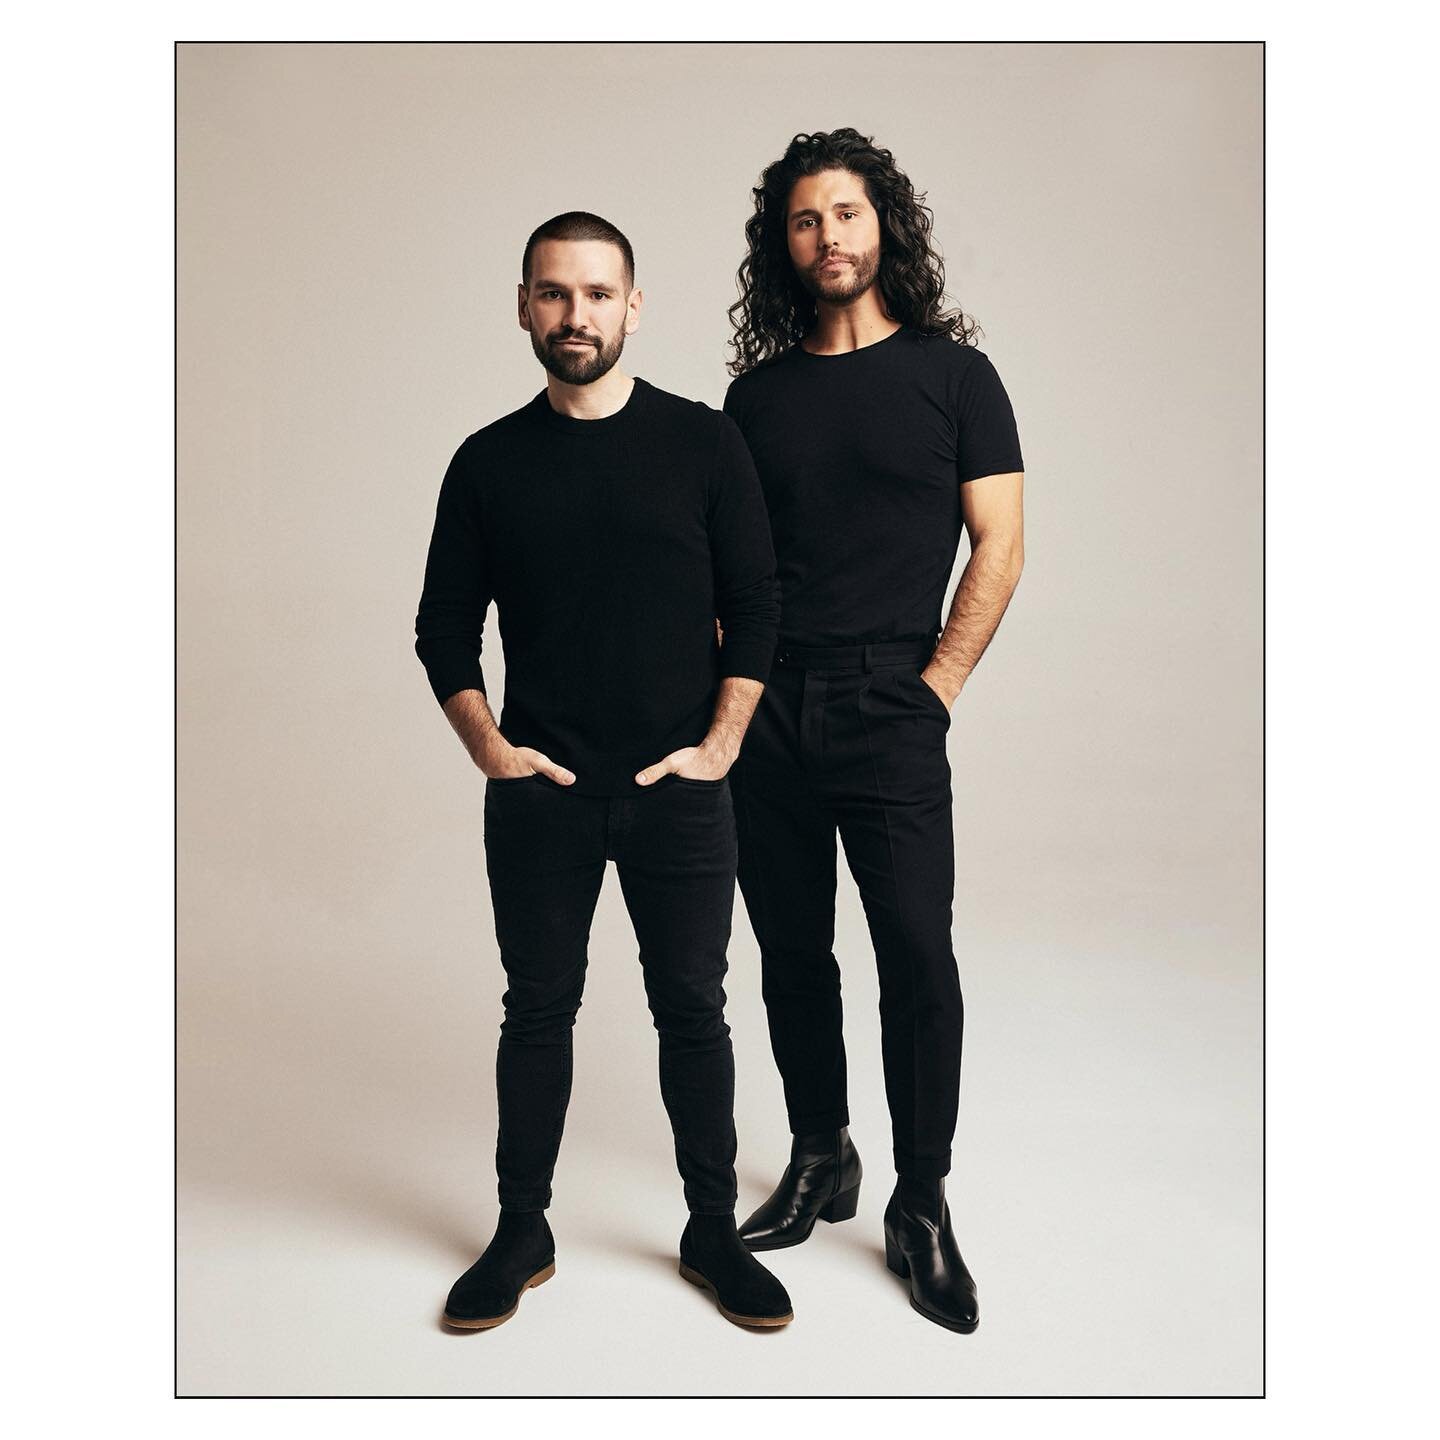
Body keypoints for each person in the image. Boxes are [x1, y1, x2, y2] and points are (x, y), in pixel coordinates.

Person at [415, 211, 791, 1331]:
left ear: (634, 307)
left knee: (695, 1012)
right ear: (524, 307)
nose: (573, 316)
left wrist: (719, 748)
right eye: (551, 293)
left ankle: (712, 1232)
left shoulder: (704, 443)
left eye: (594, 294)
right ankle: (521, 1230)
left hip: (679, 794)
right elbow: (443, 629)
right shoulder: (487, 461)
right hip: (544, 797)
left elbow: (759, 604)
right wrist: (492, 750)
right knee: (538, 1009)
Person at [722, 130, 1026, 1334]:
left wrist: (937, 685)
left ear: (884, 224)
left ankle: (921, 1201)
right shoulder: (755, 399)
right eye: (805, 221)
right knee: (792, 952)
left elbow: (999, 546)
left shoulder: (958, 379)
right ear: (782, 247)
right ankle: (820, 1154)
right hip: (768, 710)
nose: (829, 237)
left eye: (846, 214)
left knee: (916, 957)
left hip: (891, 702)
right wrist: (728, 704)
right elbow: (728, 577)